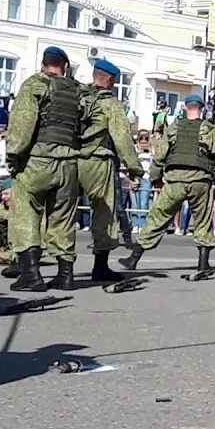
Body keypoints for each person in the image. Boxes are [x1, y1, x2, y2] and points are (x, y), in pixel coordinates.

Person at [5, 46, 85, 292]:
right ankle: (65, 274)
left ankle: (30, 273)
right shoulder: (78, 91)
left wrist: (13, 156)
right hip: (69, 162)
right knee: (63, 218)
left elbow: (23, 122)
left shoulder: (35, 85)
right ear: (65, 67)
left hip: (38, 159)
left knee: (26, 211)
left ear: (43, 64)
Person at [119, 94, 215, 274]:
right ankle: (203, 263)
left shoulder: (174, 128)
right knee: (203, 221)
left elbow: (160, 156)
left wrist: (156, 178)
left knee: (158, 216)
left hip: (175, 179)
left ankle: (133, 258)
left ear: (185, 108)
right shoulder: (209, 129)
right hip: (200, 179)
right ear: (202, 108)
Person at [77, 59, 146, 284]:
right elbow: (122, 138)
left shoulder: (78, 98)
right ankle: (100, 267)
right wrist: (135, 168)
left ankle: (61, 270)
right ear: (109, 79)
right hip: (99, 161)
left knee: (62, 213)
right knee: (104, 214)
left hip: (70, 159)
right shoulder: (110, 104)